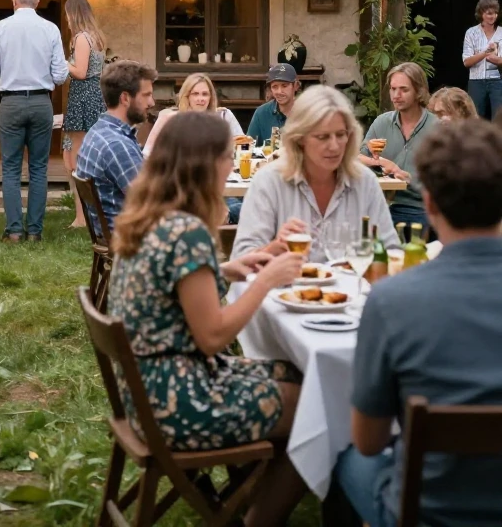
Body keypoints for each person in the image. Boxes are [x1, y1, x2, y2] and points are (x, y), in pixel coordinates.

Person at [109, 111, 307, 527]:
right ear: (204, 164)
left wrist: (235, 268)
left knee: (298, 373)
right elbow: (213, 335)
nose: (231, 167)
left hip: (144, 394)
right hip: (179, 401)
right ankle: (255, 516)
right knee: (317, 409)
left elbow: (176, 288)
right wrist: (266, 279)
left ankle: (237, 499)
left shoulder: (150, 219)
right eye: (226, 158)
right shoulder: (188, 233)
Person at [334, 119, 502, 527]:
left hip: (430, 511)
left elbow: (370, 441)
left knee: (341, 453)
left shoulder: (392, 300)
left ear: (428, 204)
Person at [233, 86, 399, 262]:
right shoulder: (269, 181)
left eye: (341, 135)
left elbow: (392, 251)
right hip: (285, 287)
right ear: (300, 138)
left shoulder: (364, 182)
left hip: (352, 287)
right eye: (323, 137)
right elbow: (241, 261)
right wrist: (274, 248)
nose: (334, 146)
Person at [0, 0, 68, 243]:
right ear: (38, 2)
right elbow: (61, 74)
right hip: (42, 101)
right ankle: (35, 231)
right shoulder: (50, 28)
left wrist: (6, 78)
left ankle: (15, 230)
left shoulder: (1, 28)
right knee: (39, 168)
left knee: (10, 168)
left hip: (10, 101)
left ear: (13, 1)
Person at [74, 60, 156, 230]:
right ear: (125, 98)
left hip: (113, 233)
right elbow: (151, 201)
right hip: (133, 240)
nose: (152, 103)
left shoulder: (98, 131)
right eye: (146, 95)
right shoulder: (117, 145)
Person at [359, 62, 438, 229]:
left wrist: (405, 176)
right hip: (384, 205)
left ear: (419, 91)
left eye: (404, 89)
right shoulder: (382, 122)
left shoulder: (436, 128)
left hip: (420, 208)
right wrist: (379, 163)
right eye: (393, 89)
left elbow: (446, 178)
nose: (396, 95)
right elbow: (357, 158)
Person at [62, 0, 106, 230]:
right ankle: (88, 213)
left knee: (78, 158)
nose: (67, 20)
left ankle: (82, 217)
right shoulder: (96, 37)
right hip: (94, 96)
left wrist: (58, 60)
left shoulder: (81, 38)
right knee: (81, 154)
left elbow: (79, 72)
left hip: (82, 98)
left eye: (68, 15)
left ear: (74, 14)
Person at [143, 72, 243, 155]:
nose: (201, 99)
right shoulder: (169, 119)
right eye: (195, 94)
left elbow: (243, 146)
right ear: (187, 96)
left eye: (205, 94)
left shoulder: (224, 115)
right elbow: (147, 154)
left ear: (210, 97)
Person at [462, 0, 502, 119]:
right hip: (476, 81)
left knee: (499, 118)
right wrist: (485, 53)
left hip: (498, 81)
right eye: (489, 13)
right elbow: (467, 62)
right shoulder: (471, 33)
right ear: (481, 13)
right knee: (475, 118)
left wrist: (495, 59)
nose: (493, 16)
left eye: (495, 13)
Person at [246, 63, 299, 143]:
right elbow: (249, 145)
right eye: (275, 87)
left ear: (295, 86)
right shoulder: (261, 113)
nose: (279, 92)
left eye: (284, 86)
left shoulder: (306, 112)